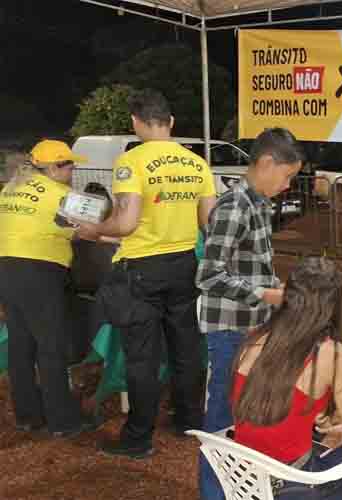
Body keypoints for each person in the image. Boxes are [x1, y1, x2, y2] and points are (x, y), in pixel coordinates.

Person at [75, 89, 217, 458]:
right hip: (185, 264)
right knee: (185, 348)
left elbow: (126, 221)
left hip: (142, 269)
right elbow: (209, 222)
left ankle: (138, 438)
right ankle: (189, 420)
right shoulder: (197, 164)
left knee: (143, 357)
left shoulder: (132, 162)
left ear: (136, 122)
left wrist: (95, 231)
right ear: (170, 122)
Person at [196, 127, 304, 500]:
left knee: (243, 417)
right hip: (229, 330)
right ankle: (214, 493)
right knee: (222, 420)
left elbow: (255, 264)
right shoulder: (234, 207)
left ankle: (240, 489)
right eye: (288, 175)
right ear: (267, 163)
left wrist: (277, 294)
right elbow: (209, 275)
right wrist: (265, 294)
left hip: (251, 328)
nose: (288, 185)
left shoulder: (258, 203)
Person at [231, 257, 342, 500]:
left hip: (244, 477)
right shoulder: (331, 354)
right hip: (294, 483)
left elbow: (270, 411)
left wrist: (328, 427)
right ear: (332, 305)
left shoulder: (256, 337)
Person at [0, 140, 100, 437]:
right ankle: (63, 422)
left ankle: (28, 416)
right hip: (39, 271)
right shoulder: (61, 195)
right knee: (51, 346)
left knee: (21, 344)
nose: (73, 169)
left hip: (6, 268)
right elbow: (89, 229)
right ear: (54, 168)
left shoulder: (10, 188)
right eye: (69, 164)